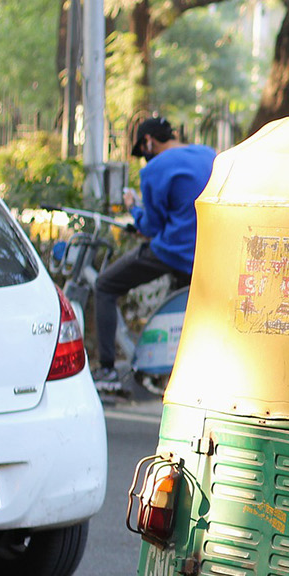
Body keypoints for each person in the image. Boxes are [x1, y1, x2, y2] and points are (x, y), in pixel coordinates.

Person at [91, 117, 215, 393]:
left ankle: (108, 370)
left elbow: (152, 226)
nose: (144, 159)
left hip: (174, 251)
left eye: (142, 151)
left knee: (105, 285)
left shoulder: (155, 169)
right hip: (208, 253)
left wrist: (134, 208)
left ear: (148, 141)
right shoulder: (209, 154)